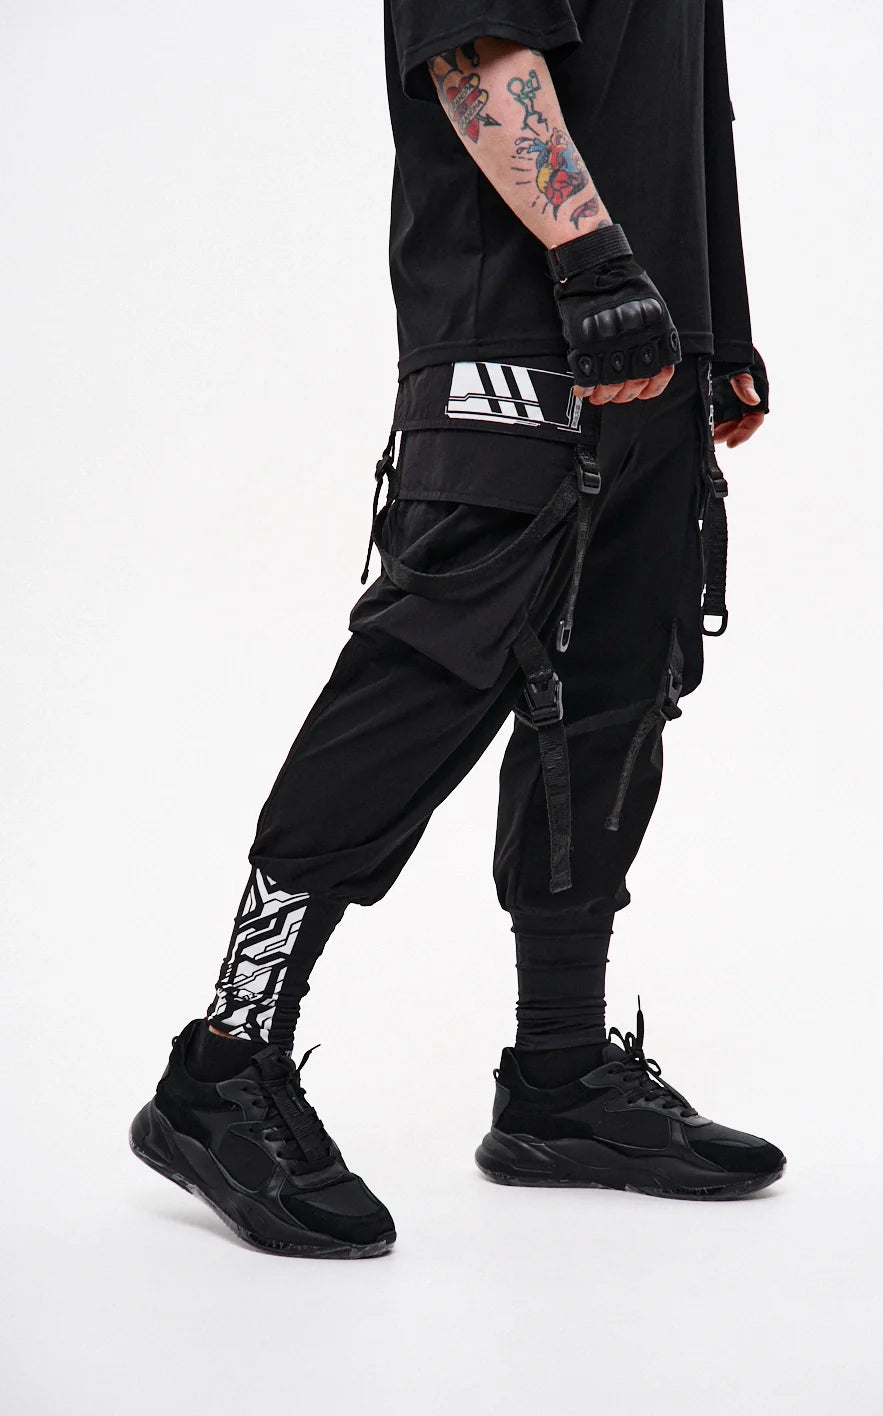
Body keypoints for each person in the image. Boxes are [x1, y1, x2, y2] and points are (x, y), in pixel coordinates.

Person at [130, 0, 783, 1259]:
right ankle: (223, 1063)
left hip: (656, 340)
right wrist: (589, 258)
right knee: (428, 672)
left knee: (612, 694)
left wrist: (719, 323)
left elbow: (677, 102)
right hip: (525, 319)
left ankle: (559, 1076)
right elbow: (474, 47)